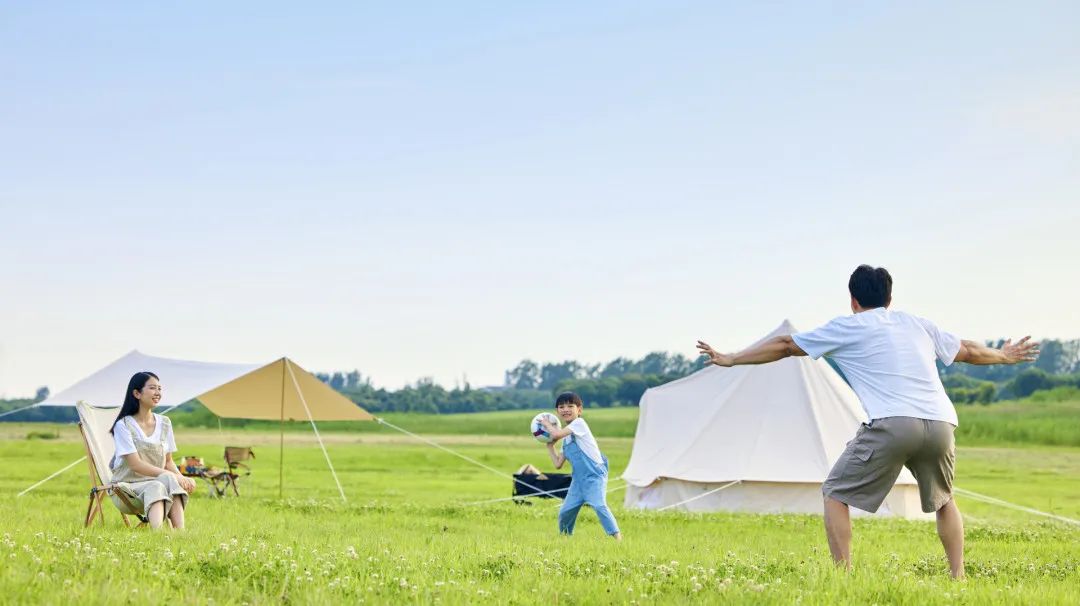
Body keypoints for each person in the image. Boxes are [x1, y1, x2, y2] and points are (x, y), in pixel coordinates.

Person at [696, 265, 1038, 579]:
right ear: (890, 298)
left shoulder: (848, 326)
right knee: (945, 500)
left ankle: (843, 577)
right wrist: (1005, 356)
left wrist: (732, 358)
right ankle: (958, 575)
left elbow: (786, 345)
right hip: (940, 425)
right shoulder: (916, 323)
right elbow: (967, 350)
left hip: (894, 423)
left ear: (853, 300)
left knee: (834, 493)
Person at [109, 371, 197, 529]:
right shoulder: (123, 425)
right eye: (152, 388)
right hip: (126, 487)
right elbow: (135, 465)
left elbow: (168, 462)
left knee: (163, 482)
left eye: (160, 388)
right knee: (160, 484)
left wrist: (181, 476)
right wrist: (170, 475)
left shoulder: (165, 423)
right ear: (137, 393)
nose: (158, 393)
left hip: (157, 482)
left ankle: (179, 534)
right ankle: (158, 535)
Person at [539, 392, 622, 540]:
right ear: (557, 411)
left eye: (570, 406)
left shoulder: (580, 424)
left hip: (594, 476)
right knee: (565, 512)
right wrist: (550, 447)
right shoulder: (566, 439)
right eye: (561, 407)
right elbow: (558, 464)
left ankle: (617, 537)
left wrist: (546, 425)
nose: (566, 409)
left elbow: (556, 434)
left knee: (599, 505)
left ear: (579, 410)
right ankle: (565, 539)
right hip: (578, 481)